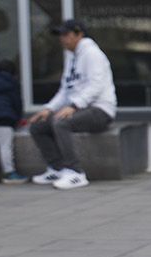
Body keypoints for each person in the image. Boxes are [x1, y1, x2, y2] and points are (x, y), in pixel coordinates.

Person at [27, 19, 116, 191]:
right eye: (60, 35)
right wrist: (48, 108)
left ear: (79, 34)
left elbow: (96, 86)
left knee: (61, 123)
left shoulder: (92, 54)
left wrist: (74, 106)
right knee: (38, 126)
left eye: (66, 35)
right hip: (80, 108)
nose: (62, 39)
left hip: (101, 110)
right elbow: (65, 90)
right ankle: (57, 168)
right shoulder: (71, 56)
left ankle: (75, 172)